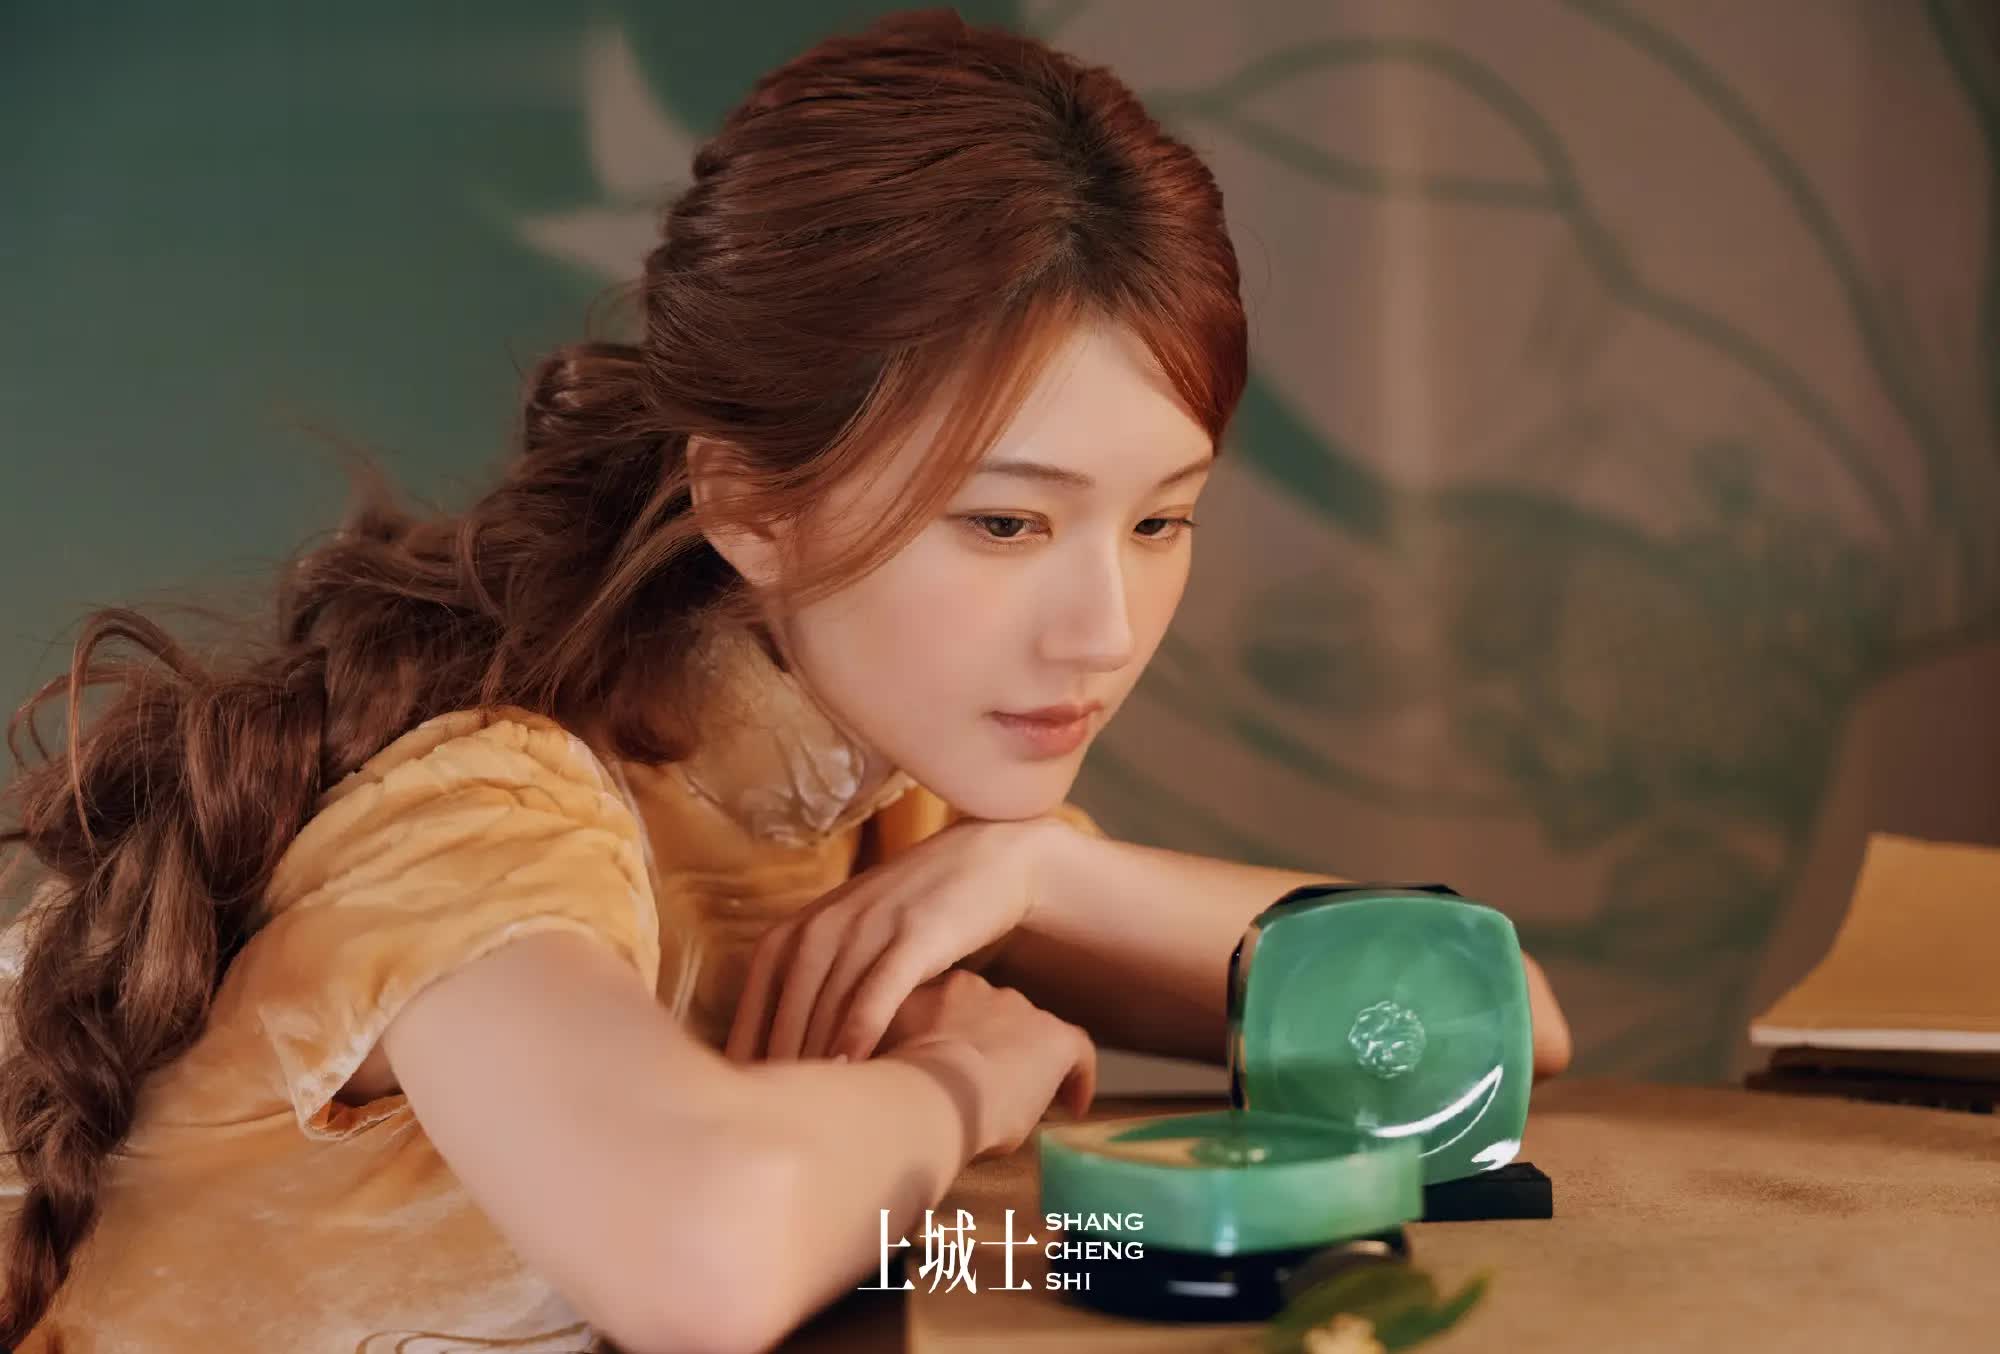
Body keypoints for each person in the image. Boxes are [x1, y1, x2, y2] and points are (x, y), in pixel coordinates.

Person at [0, 9, 1572, 1351]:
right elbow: (706, 1249)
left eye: (1162, 520)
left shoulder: (886, 812)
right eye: (1005, 522)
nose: (1104, 628)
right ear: (753, 503)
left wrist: (1045, 874)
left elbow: (1484, 1038)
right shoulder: (490, 816)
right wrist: (962, 1077)